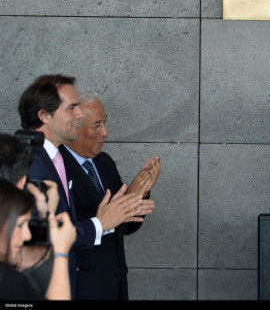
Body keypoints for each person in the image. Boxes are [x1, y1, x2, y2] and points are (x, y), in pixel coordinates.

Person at [19, 74, 149, 300]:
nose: (79, 115)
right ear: (44, 115)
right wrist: (100, 224)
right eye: (71, 108)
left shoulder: (52, 158)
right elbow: (40, 236)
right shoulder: (30, 161)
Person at [61, 89, 160, 300]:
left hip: (115, 286)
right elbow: (56, 235)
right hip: (80, 289)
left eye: (104, 123)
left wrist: (138, 193)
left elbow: (126, 227)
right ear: (74, 127)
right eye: (97, 126)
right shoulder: (56, 167)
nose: (105, 132)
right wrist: (100, 221)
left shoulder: (104, 162)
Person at [0, 178, 77, 300]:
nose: (27, 235)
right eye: (20, 225)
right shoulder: (7, 281)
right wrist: (61, 252)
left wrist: (46, 215)